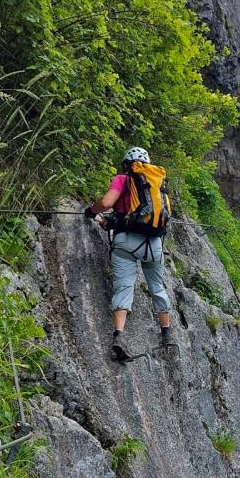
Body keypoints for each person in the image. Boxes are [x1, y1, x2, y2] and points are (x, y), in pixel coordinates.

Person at [85, 147, 174, 360]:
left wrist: (92, 211)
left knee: (124, 288)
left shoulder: (123, 180)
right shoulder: (157, 184)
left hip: (126, 242)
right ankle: (167, 336)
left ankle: (119, 336)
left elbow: (106, 203)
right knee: (157, 288)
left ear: (126, 164)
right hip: (153, 244)